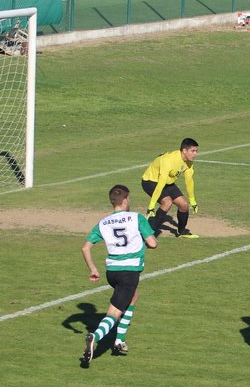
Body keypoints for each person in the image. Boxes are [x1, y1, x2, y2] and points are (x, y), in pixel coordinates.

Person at [80, 184, 158, 367]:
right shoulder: (136, 218)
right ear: (124, 200)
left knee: (133, 296)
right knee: (114, 313)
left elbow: (85, 248)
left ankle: (119, 341)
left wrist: (93, 269)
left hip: (112, 272)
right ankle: (95, 337)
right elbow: (153, 243)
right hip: (128, 272)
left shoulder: (103, 223)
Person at [142, 137, 200, 238]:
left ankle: (181, 231)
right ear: (184, 150)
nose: (195, 154)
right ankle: (149, 233)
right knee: (167, 202)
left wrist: (192, 201)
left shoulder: (188, 162)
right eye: (193, 151)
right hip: (150, 181)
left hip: (167, 183)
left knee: (184, 205)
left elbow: (189, 181)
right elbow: (161, 182)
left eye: (196, 151)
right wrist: (151, 205)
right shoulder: (169, 160)